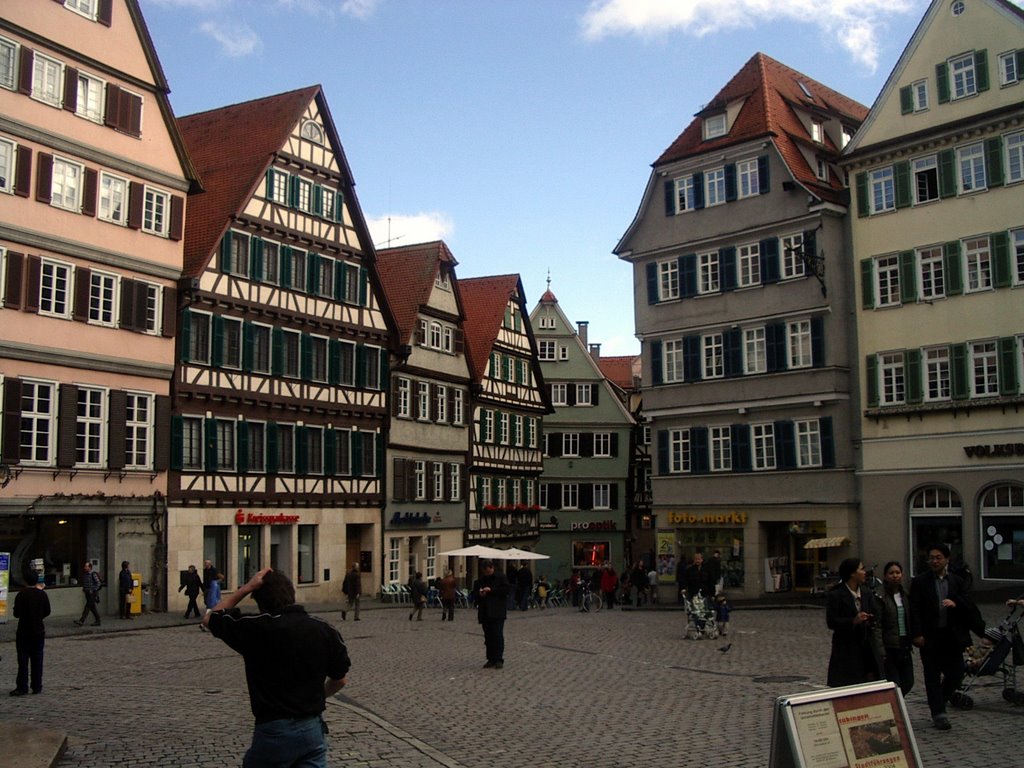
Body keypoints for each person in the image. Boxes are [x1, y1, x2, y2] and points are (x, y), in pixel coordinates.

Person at [203, 568, 350, 767]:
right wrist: (316, 697)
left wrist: (246, 588)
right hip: (312, 728)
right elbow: (340, 679)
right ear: (291, 594)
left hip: (274, 729)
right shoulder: (324, 629)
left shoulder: (257, 628)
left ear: (260, 602)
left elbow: (211, 617)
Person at [910, 543, 983, 731]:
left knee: (956, 673)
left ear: (947, 559)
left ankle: (940, 699)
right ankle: (938, 714)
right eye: (931, 558)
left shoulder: (957, 581)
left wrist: (955, 602)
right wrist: (917, 634)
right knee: (932, 675)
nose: (934, 561)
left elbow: (969, 603)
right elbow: (915, 610)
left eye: (938, 557)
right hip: (930, 637)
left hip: (952, 637)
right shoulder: (920, 581)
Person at [826, 557, 883, 688]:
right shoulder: (836, 595)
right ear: (852, 573)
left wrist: (870, 619)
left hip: (866, 647)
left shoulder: (867, 592)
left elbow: (876, 615)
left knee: (869, 685)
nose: (865, 572)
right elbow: (831, 622)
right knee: (848, 686)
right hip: (845, 649)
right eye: (862, 569)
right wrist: (853, 621)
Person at [876, 560, 914, 697]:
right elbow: (878, 625)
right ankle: (895, 709)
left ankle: (895, 705)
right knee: (894, 683)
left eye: (897, 573)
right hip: (890, 646)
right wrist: (880, 649)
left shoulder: (905, 595)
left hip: (904, 644)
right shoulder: (880, 597)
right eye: (891, 573)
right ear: (885, 576)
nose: (895, 576)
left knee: (908, 681)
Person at [11, 567, 50, 696]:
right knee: (37, 658)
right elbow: (47, 611)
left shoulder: (21, 595)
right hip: (38, 630)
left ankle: (22, 686)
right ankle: (37, 685)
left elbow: (16, 613)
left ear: (25, 580)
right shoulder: (42, 594)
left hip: (24, 630)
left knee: (23, 660)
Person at [471, 559, 509, 668]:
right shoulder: (479, 581)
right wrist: (480, 594)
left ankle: (499, 659)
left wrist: (491, 590)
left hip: (497, 612)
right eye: (485, 571)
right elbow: (474, 597)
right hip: (485, 612)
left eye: (489, 570)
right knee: (488, 637)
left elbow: (506, 591)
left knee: (497, 635)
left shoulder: (501, 578)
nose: (487, 573)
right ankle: (490, 659)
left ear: (492, 568)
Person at [74, 561, 102, 627]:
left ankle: (81, 620)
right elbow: (85, 583)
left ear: (90, 567)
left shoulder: (93, 574)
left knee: (87, 606)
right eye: (85, 566)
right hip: (87, 593)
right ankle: (98, 620)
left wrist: (93, 590)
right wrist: (84, 589)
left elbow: (98, 583)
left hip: (92, 593)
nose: (84, 567)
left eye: (86, 566)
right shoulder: (85, 575)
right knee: (92, 608)